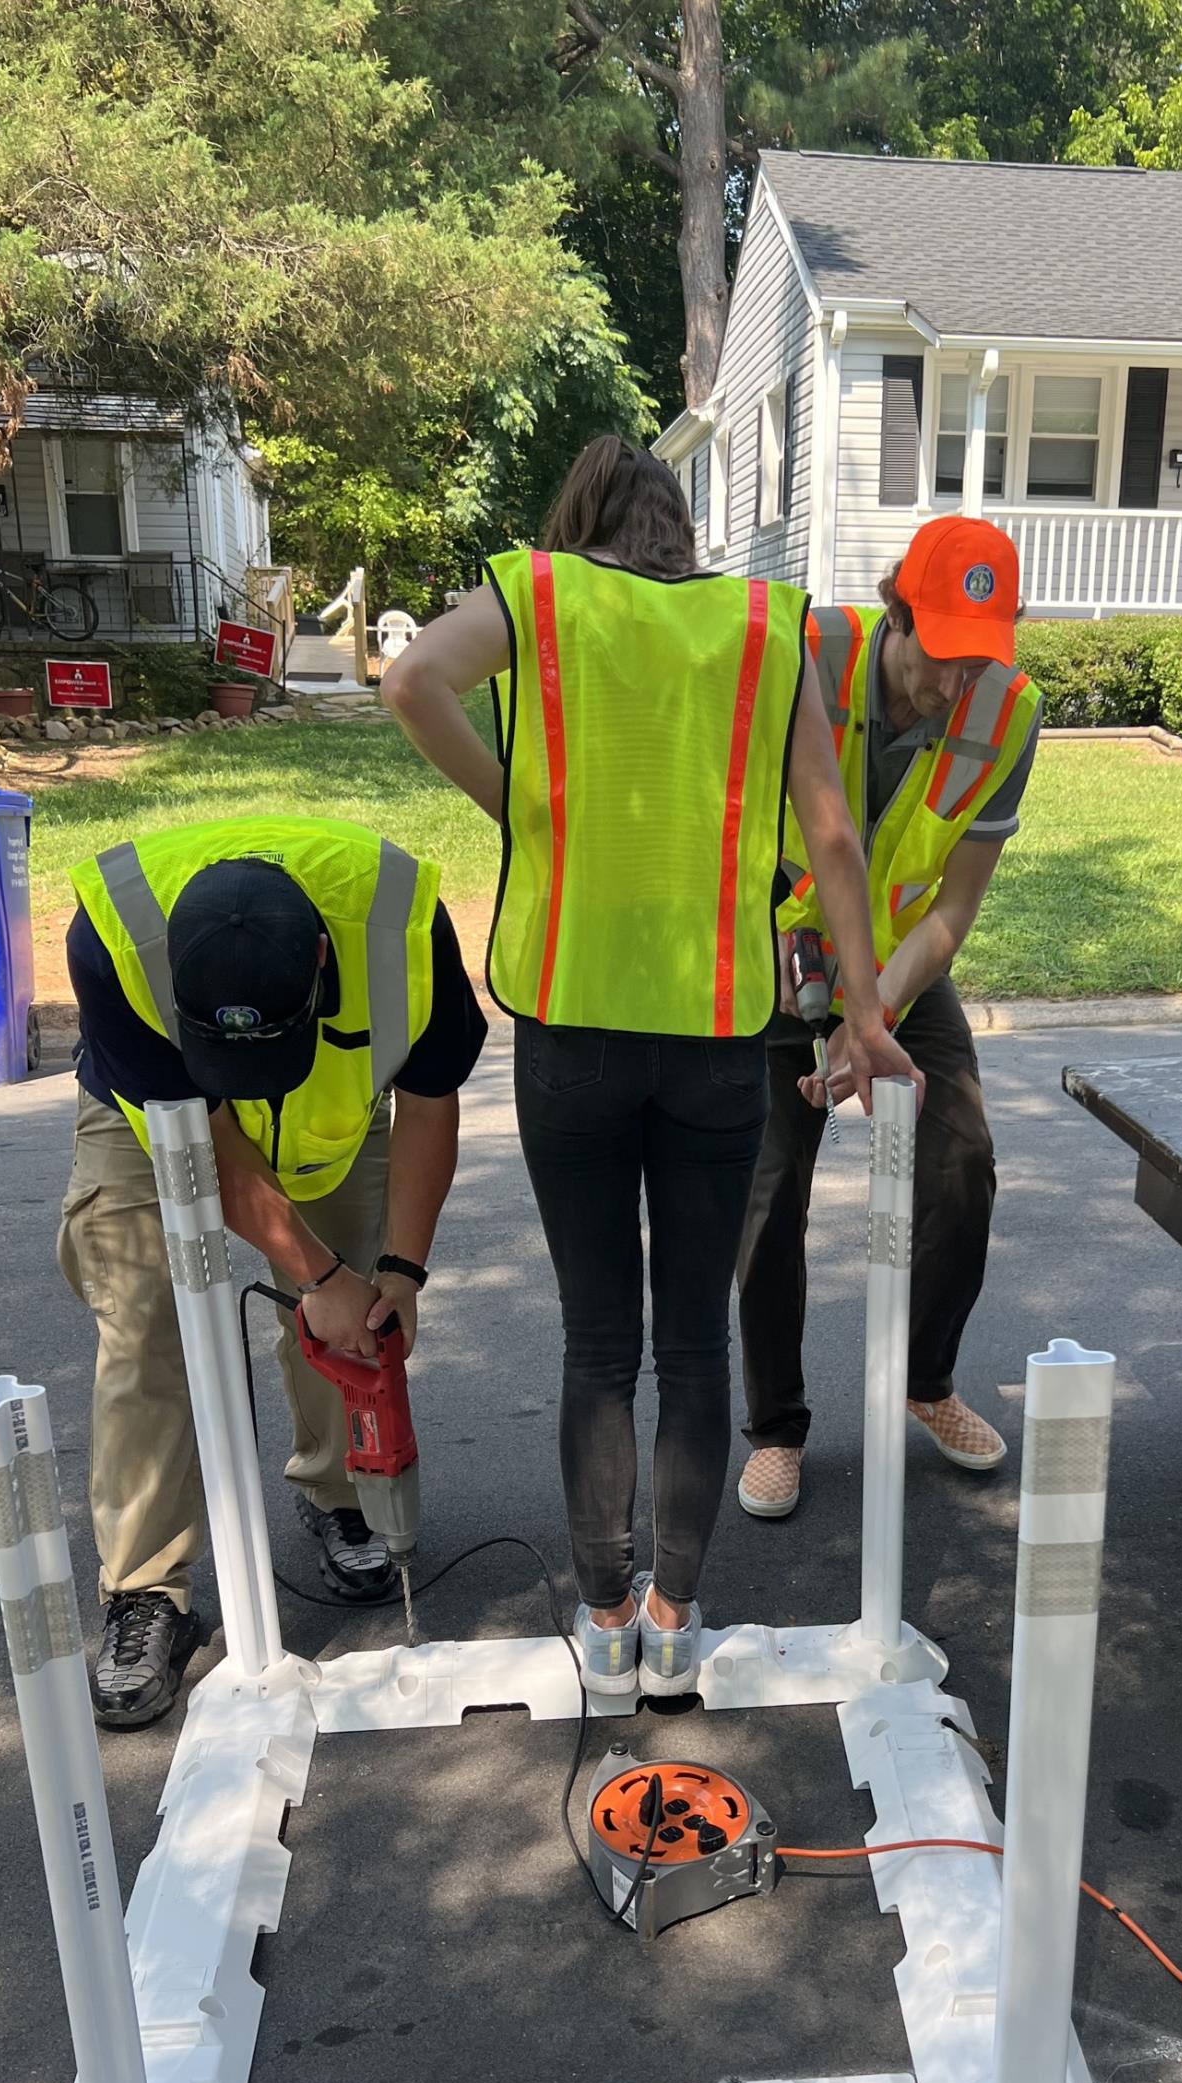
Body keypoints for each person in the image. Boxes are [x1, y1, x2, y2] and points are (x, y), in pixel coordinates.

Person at [383, 434, 917, 1699]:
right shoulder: (763, 625)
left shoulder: (542, 594)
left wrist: (518, 800)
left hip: (571, 1024)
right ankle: (678, 1622)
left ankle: (606, 1623)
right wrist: (862, 1006)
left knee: (595, 1346)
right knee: (693, 1345)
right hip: (719, 1036)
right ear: (684, 531)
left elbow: (410, 684)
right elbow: (833, 831)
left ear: (579, 523)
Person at [59, 815, 487, 1727]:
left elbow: (428, 1098)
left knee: (351, 1320)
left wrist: (397, 1271)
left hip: (334, 1118)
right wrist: (316, 1270)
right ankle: (146, 1591)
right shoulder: (113, 936)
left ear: (324, 962)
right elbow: (201, 1140)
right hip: (158, 1126)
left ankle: (344, 1500)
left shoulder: (402, 924)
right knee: (146, 1329)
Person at [734, 516, 1043, 1520]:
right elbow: (723, 816)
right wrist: (779, 967)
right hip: (776, 961)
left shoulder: (1010, 714)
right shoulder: (809, 656)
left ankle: (926, 1381)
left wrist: (871, 1015)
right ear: (897, 613)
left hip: (901, 964)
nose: (956, 687)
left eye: (980, 659)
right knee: (768, 1198)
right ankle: (777, 1427)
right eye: (942, 655)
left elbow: (953, 908)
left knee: (963, 1163)